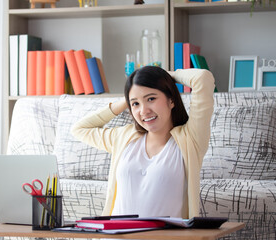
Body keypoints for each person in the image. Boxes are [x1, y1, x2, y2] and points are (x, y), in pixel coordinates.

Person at [71, 66, 215, 219]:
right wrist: (128, 99)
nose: (144, 111)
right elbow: (79, 129)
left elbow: (203, 78)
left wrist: (166, 75)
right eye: (136, 104)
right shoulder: (124, 137)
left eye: (151, 99)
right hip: (117, 235)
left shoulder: (190, 139)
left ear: (171, 100)